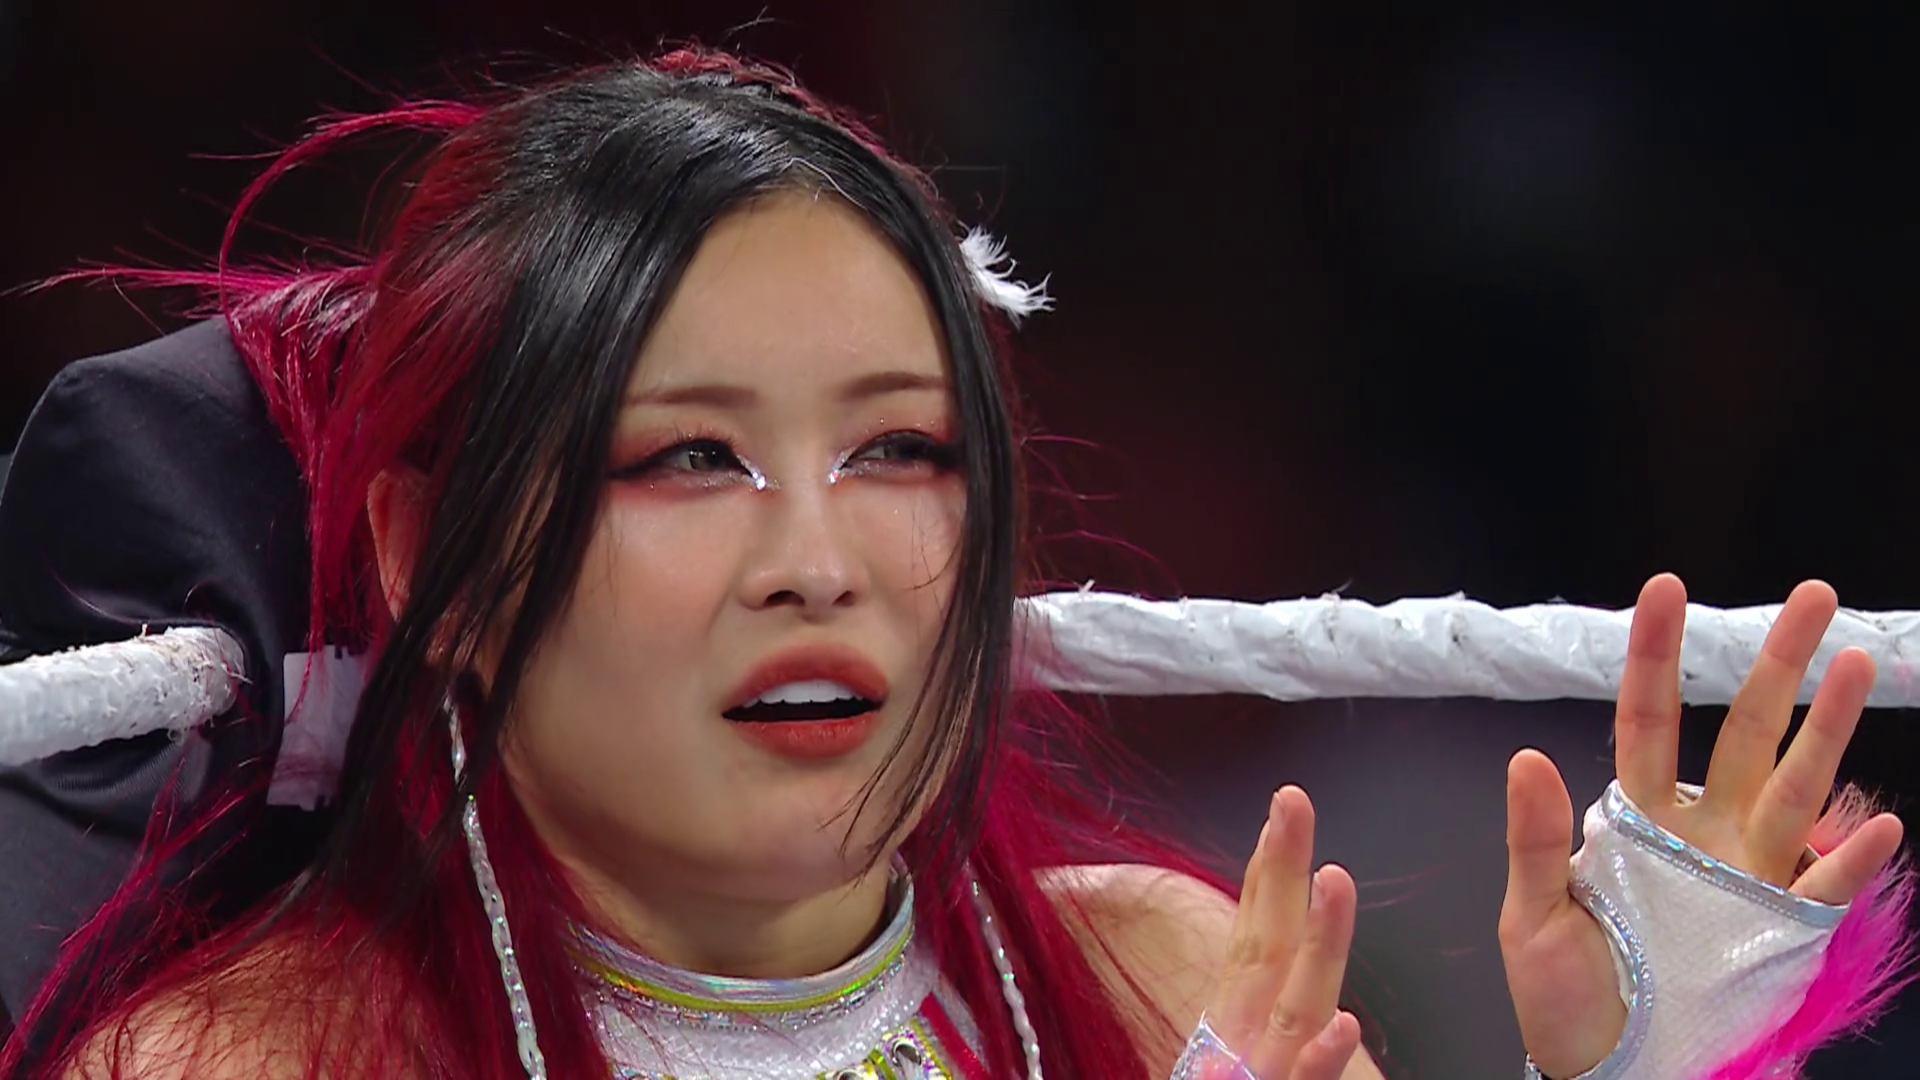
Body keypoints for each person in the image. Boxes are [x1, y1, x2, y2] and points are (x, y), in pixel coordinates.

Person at [0, 50, 1906, 1080]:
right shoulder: (234, 1063)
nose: (816, 561)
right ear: (445, 557)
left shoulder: (1172, 980)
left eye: (898, 451)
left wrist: (1656, 1069)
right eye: (692, 458)